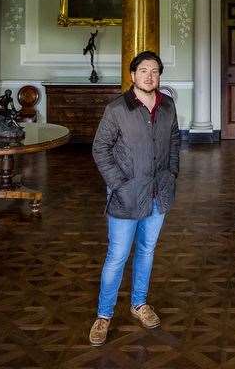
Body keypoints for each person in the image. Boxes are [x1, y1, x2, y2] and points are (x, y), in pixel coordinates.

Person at [88, 50, 180, 346]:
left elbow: (175, 139)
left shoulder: (168, 107)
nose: (149, 76)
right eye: (143, 71)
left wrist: (172, 172)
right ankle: (104, 315)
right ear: (132, 75)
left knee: (147, 250)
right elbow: (100, 148)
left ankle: (139, 304)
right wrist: (118, 183)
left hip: (158, 193)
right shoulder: (117, 108)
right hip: (126, 196)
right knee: (117, 257)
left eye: (154, 71)